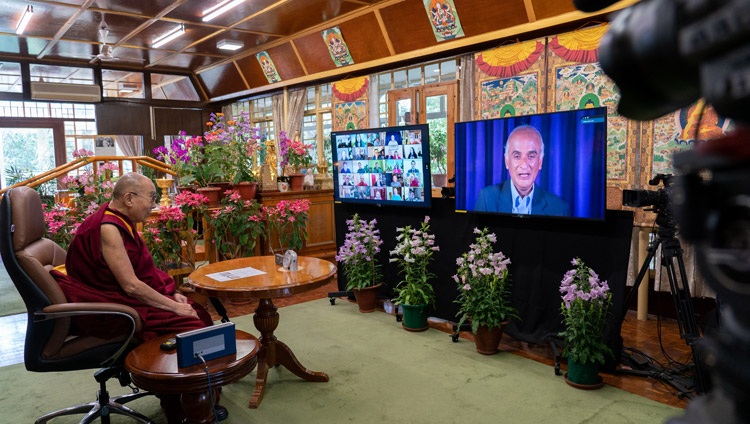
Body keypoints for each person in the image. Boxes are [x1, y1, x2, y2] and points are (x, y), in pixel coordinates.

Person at [54, 173, 214, 341]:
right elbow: (131, 285)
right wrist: (174, 307)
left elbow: (144, 271)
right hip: (111, 309)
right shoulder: (108, 228)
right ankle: (165, 366)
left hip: (126, 299)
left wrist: (172, 293)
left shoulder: (120, 221)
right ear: (129, 199)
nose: (154, 205)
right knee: (194, 325)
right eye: (152, 198)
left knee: (196, 310)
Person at [474, 125, 570, 216]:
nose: (524, 165)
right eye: (517, 156)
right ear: (507, 162)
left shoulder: (560, 208)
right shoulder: (486, 199)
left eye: (531, 156)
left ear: (540, 162)